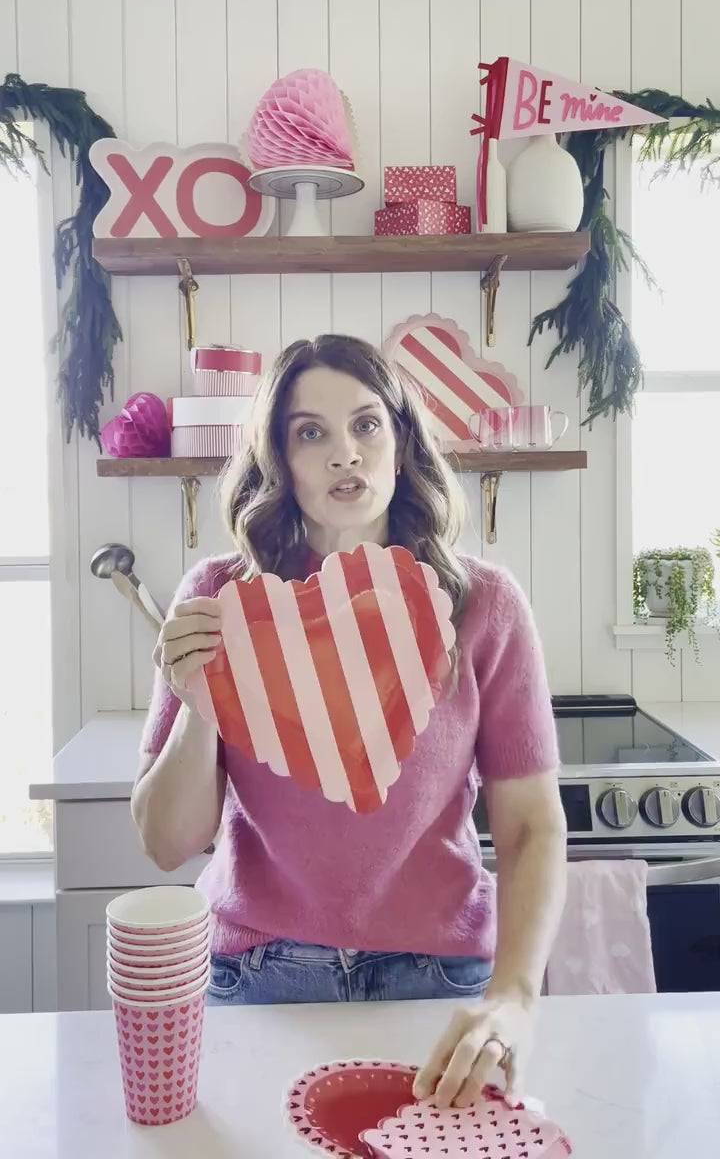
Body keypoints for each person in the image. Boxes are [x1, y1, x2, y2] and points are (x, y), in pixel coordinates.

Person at [132, 333, 567, 1109]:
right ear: (279, 459)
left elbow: (532, 826)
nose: (345, 454)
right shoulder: (217, 600)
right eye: (311, 433)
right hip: (255, 976)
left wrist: (515, 998)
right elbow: (168, 842)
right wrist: (201, 705)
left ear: (400, 444)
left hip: (439, 978)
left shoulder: (484, 606)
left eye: (367, 424)